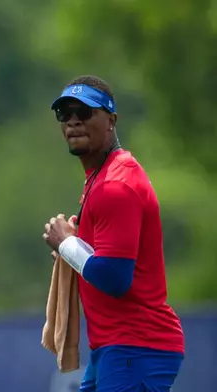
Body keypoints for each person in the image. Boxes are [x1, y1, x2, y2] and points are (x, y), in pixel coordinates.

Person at [42, 75, 185, 391]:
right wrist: (75, 246)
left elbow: (115, 278)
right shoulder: (103, 177)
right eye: (65, 114)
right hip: (118, 347)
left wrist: (66, 244)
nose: (74, 121)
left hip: (137, 346)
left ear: (111, 120)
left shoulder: (114, 186)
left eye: (85, 112)